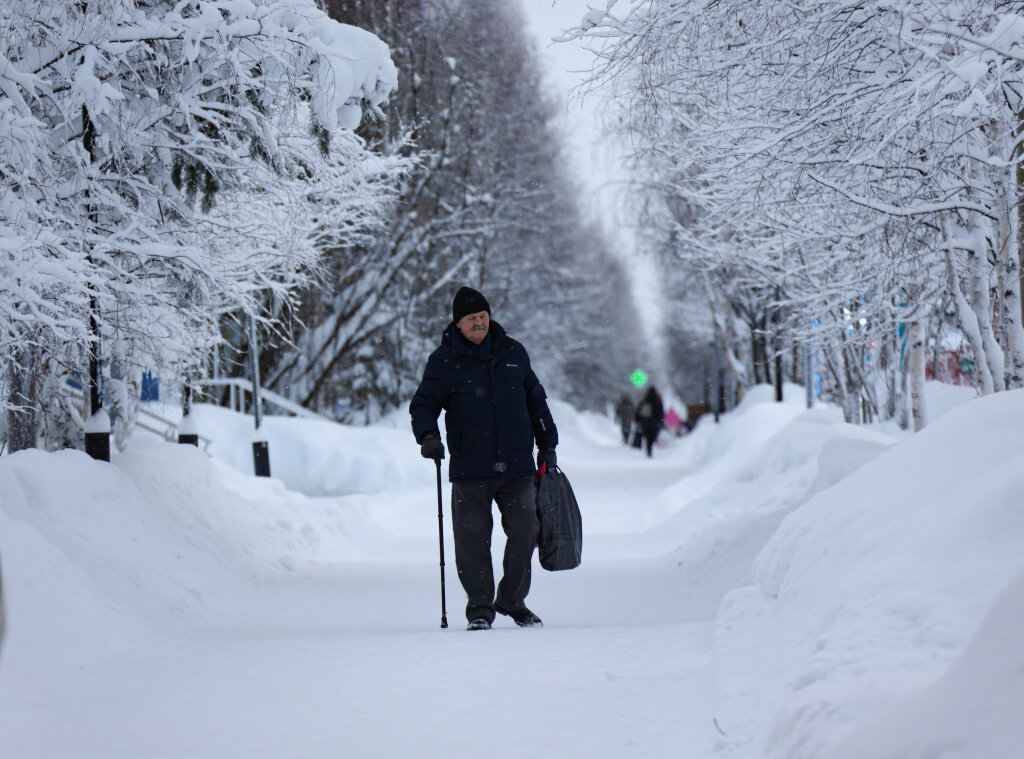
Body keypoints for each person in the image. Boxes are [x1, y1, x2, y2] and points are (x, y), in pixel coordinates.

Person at [410, 286, 558, 631]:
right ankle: (479, 608)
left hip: (517, 466)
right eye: (472, 318)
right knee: (472, 542)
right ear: (458, 324)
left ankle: (511, 600)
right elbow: (424, 405)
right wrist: (429, 436)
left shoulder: (513, 352)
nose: (480, 322)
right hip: (469, 467)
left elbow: (536, 401)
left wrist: (547, 443)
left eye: (483, 316)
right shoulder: (443, 361)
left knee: (526, 531)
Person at [634, 385, 664, 457]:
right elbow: (660, 411)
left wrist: (637, 419)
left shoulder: (645, 399)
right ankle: (649, 449)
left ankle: (648, 449)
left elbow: (639, 410)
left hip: (645, 421)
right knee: (651, 436)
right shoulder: (657, 399)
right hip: (654, 422)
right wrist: (660, 420)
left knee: (647, 436)